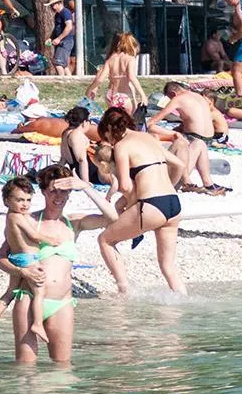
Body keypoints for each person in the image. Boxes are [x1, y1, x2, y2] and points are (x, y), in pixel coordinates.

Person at [0, 164, 116, 364]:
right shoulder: (27, 221)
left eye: (64, 191)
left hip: (62, 304)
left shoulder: (74, 223)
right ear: (43, 191)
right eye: (53, 191)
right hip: (29, 299)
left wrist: (85, 187)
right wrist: (22, 271)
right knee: (25, 370)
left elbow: (112, 217)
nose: (58, 196)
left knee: (62, 367)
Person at [95, 107, 187, 295]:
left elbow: (126, 186)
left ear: (110, 130)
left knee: (105, 240)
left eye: (106, 137)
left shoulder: (122, 146)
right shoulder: (148, 138)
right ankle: (181, 305)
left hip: (152, 204)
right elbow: (180, 164)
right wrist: (170, 184)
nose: (108, 142)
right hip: (173, 202)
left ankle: (123, 292)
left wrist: (127, 203)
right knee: (168, 266)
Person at [0, 177, 51, 342]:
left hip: (15, 258)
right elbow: (34, 235)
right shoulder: (17, 217)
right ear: (7, 201)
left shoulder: (8, 218)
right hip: (28, 259)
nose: (25, 204)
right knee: (39, 291)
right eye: (20, 200)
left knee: (10, 292)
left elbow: (11, 239)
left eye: (28, 200)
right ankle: (37, 323)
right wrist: (51, 240)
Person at [151, 81, 228, 194]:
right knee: (199, 143)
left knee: (187, 143)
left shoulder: (178, 99)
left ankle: (187, 182)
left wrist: (173, 134)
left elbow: (150, 124)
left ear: (173, 93)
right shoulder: (200, 97)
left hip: (193, 138)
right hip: (208, 139)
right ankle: (208, 183)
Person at [87, 33, 146, 113]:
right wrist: (142, 94)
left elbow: (100, 79)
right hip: (125, 96)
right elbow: (131, 77)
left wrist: (90, 89)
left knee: (114, 120)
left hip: (111, 96)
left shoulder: (110, 59)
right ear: (132, 46)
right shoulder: (130, 59)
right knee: (129, 121)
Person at [58, 106, 94, 182]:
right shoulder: (77, 135)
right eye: (89, 121)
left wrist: (55, 173)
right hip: (90, 173)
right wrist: (85, 182)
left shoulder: (65, 133)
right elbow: (81, 160)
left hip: (76, 171)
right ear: (84, 122)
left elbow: (63, 159)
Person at [45, 0, 74, 75]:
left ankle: (62, 80)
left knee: (58, 63)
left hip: (65, 42)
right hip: (62, 42)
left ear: (58, 3)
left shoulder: (65, 12)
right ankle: (68, 81)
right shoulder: (58, 15)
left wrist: (59, 39)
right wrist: (51, 38)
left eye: (52, 5)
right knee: (64, 65)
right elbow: (57, 28)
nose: (51, 7)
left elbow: (69, 27)